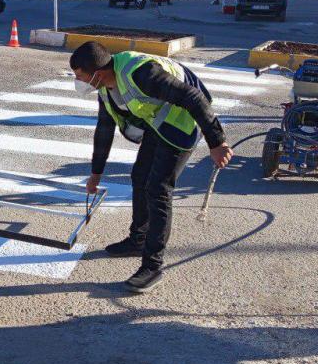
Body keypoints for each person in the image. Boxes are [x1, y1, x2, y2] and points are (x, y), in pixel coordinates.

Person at [71, 42, 233, 293]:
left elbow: (194, 97)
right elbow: (104, 129)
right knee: (140, 177)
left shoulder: (141, 74)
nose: (77, 81)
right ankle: (138, 240)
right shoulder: (105, 87)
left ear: (97, 73)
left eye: (79, 75)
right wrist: (95, 174)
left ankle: (152, 266)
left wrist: (217, 142)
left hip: (183, 122)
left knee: (158, 189)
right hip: (159, 123)